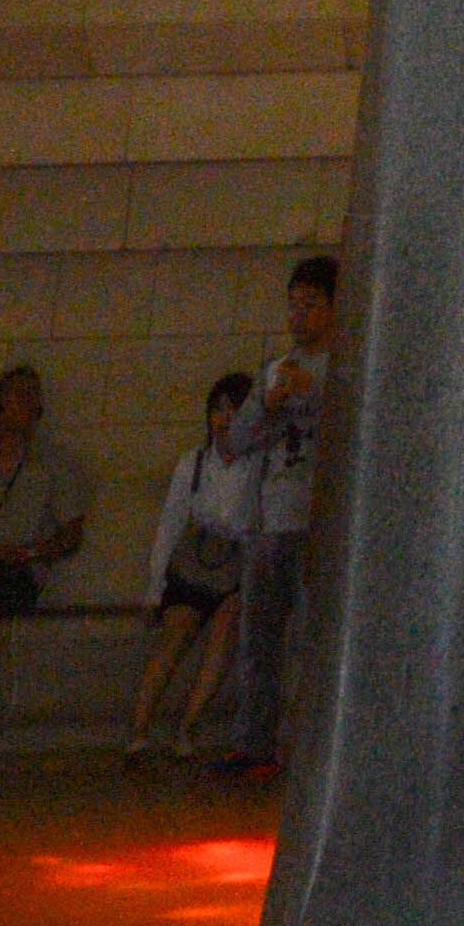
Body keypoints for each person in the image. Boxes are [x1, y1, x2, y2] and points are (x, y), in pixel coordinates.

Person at [211, 250, 334, 766]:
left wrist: (320, 395)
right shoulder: (274, 371)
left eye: (309, 304)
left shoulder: (344, 369)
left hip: (315, 523)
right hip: (268, 521)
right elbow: (234, 443)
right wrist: (268, 402)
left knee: (310, 642)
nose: (296, 315)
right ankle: (252, 744)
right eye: (291, 304)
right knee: (257, 641)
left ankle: (305, 749)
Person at [128, 371, 257, 754]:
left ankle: (188, 728)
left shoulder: (256, 466)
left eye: (234, 411)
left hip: (235, 563)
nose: (224, 420)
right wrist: (155, 588)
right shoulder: (194, 463)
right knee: (174, 637)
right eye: (217, 410)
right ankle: (138, 731)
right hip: (196, 561)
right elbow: (170, 523)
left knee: (225, 632)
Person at [0, 359, 85, 615]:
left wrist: (26, 553)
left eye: (33, 394)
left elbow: (71, 535)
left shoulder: (55, 464)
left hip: (17, 572)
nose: (27, 402)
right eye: (19, 393)